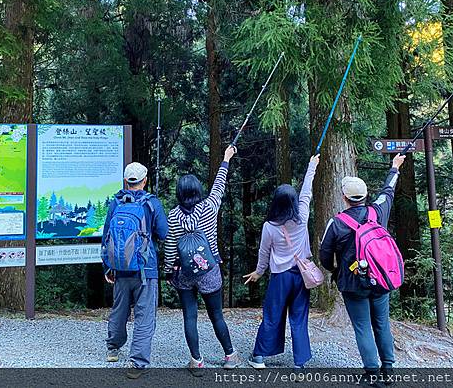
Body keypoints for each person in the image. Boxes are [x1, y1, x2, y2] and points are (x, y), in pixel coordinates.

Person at [319, 153, 406, 384]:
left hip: (352, 283)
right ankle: (388, 370)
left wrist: (335, 271)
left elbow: (325, 255)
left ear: (344, 197)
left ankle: (371, 373)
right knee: (382, 324)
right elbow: (388, 192)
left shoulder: (336, 223)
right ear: (365, 196)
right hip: (380, 279)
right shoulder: (377, 212)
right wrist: (394, 167)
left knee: (362, 326)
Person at [164, 145, 240, 375]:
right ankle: (229, 355)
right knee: (216, 314)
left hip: (184, 273)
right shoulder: (209, 207)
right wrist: (226, 158)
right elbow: (219, 184)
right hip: (209, 270)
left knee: (190, 315)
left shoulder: (174, 215)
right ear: (197, 190)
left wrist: (169, 271)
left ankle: (196, 361)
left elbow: (169, 246)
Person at [244, 154, 320, 369]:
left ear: (275, 202)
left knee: (272, 315)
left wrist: (258, 272)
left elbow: (264, 252)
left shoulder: (270, 226)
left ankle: (259, 357)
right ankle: (300, 362)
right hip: (301, 275)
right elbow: (306, 191)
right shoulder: (302, 217)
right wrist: (311, 166)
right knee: (299, 317)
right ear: (294, 202)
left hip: (280, 277)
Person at [103, 161, 168, 379]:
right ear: (145, 180)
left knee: (119, 309)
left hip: (120, 268)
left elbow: (106, 237)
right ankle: (138, 362)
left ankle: (113, 348)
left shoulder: (115, 203)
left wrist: (108, 266)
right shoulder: (152, 203)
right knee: (144, 314)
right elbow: (163, 232)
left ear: (125, 181)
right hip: (145, 267)